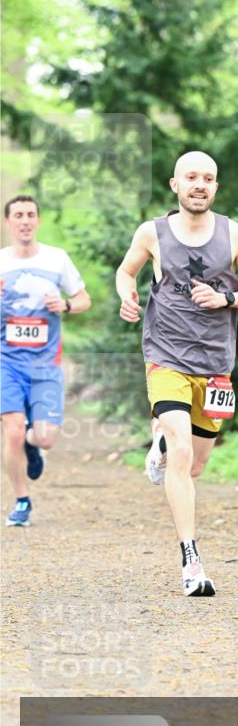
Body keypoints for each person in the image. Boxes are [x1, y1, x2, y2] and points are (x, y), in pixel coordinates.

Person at [116, 150, 238, 597]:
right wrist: (127, 296)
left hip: (215, 365)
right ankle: (191, 560)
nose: (199, 184)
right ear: (175, 185)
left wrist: (226, 300)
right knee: (183, 452)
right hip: (166, 356)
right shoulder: (153, 232)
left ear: (216, 187)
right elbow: (126, 273)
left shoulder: (235, 234)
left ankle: (161, 439)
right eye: (191, 177)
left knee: (195, 464)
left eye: (208, 178)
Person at [1, 195, 92, 525]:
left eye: (30, 215)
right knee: (10, 431)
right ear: (8, 223)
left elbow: (84, 299)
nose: (25, 221)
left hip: (45, 364)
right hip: (6, 363)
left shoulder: (57, 259)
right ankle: (22, 500)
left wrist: (66, 305)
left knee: (44, 437)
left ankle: (33, 445)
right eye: (18, 216)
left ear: (37, 221)